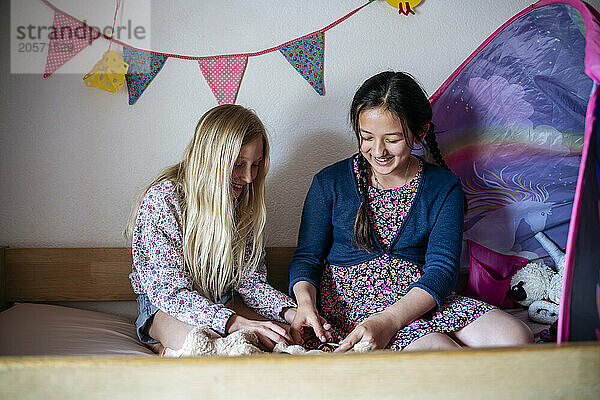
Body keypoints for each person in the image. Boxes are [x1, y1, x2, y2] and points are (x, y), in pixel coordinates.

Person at [289, 72, 533, 352]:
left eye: (392, 139)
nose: (378, 151)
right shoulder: (329, 182)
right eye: (367, 137)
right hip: (353, 302)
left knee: (518, 337)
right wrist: (305, 303)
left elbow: (442, 269)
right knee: (441, 353)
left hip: (420, 296)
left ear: (420, 133)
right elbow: (307, 256)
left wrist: (391, 320)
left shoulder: (444, 187)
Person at [125, 104, 297, 356]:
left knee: (283, 338)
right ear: (211, 159)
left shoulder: (243, 206)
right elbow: (170, 292)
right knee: (201, 343)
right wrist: (235, 323)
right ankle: (164, 344)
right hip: (166, 306)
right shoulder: (164, 199)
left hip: (224, 301)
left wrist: (291, 312)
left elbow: (249, 282)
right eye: (238, 165)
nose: (249, 177)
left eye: (256, 165)